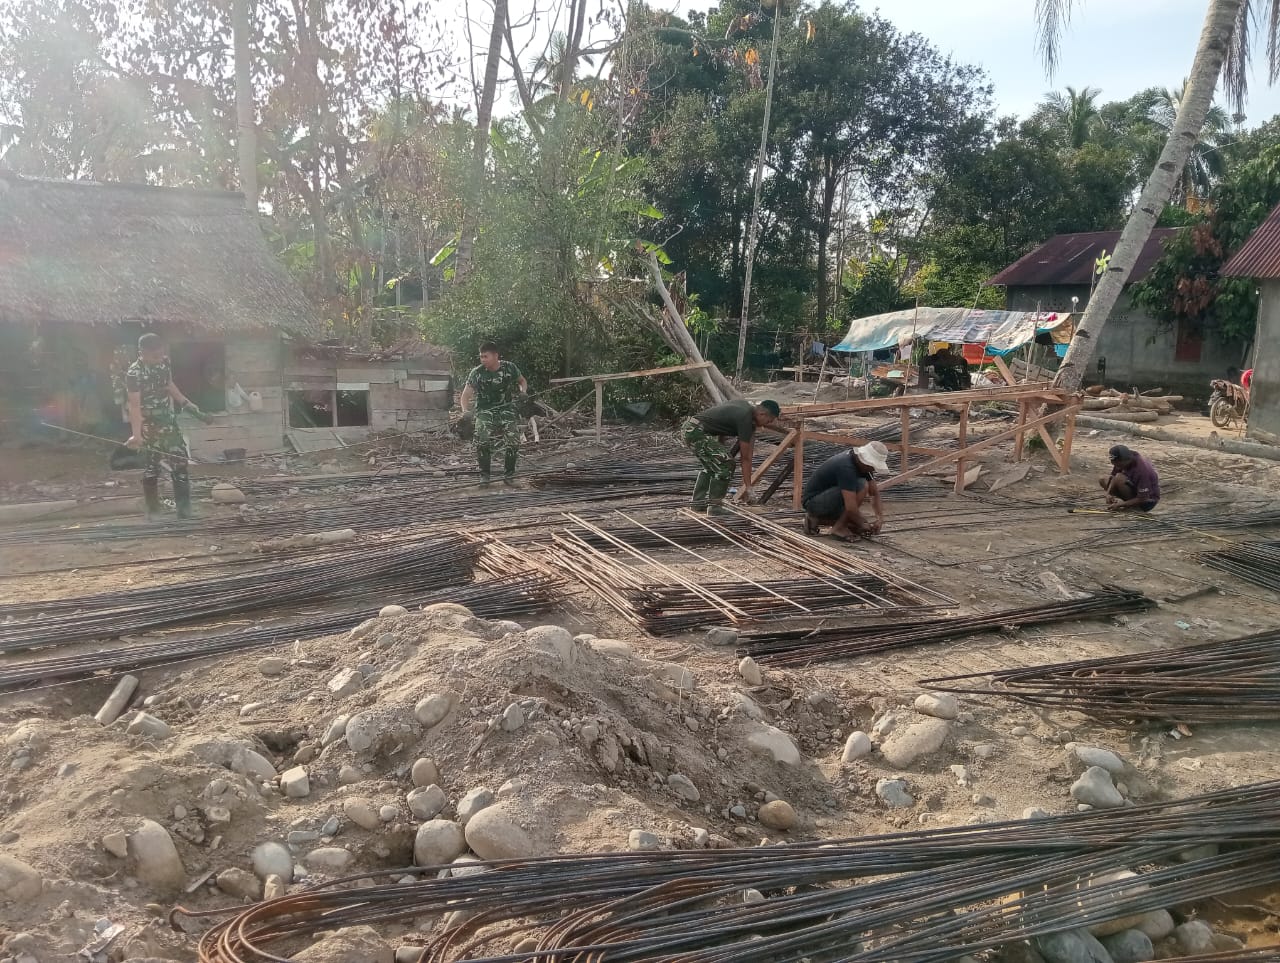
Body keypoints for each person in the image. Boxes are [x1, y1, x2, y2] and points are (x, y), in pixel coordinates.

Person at [125, 333, 206, 520]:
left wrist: (186, 403)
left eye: (160, 353)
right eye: (154, 355)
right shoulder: (134, 373)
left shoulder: (164, 363)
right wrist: (136, 435)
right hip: (148, 424)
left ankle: (184, 513)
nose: (159, 357)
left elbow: (169, 385)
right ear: (142, 353)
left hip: (167, 422)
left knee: (180, 463)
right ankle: (153, 513)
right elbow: (134, 406)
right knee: (151, 468)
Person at [681, 399, 780, 513]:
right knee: (727, 463)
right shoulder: (745, 419)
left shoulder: (744, 407)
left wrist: (720, 449)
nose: (767, 425)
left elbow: (721, 421)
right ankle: (715, 507)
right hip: (697, 431)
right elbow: (745, 458)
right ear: (762, 414)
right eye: (768, 421)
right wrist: (749, 488)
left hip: (690, 428)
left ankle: (697, 504)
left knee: (712, 466)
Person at [460, 341, 528, 485]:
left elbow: (522, 381)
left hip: (506, 408)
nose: (483, 359)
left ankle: (509, 476)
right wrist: (465, 411)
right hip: (485, 410)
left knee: (513, 439)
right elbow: (465, 395)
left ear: (496, 356)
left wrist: (523, 392)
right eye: (481, 357)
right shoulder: (477, 372)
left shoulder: (509, 367)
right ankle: (485, 476)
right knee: (482, 437)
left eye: (486, 356)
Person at [801, 442, 890, 541]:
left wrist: (879, 518)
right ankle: (838, 528)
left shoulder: (862, 465)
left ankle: (815, 519)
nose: (873, 469)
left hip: (827, 501)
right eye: (872, 466)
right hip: (813, 502)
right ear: (865, 460)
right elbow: (850, 508)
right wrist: (863, 523)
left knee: (855, 523)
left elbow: (874, 493)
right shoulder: (846, 467)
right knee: (862, 485)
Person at [1099, 444, 1160, 512]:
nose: (1117, 467)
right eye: (1114, 464)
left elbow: (1143, 498)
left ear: (1126, 460)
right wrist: (1108, 493)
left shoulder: (1142, 470)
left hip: (1147, 501)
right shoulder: (1121, 460)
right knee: (1103, 479)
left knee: (1119, 478)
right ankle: (1124, 502)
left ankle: (1135, 508)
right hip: (1134, 490)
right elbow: (1113, 476)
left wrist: (1120, 505)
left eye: (1119, 465)